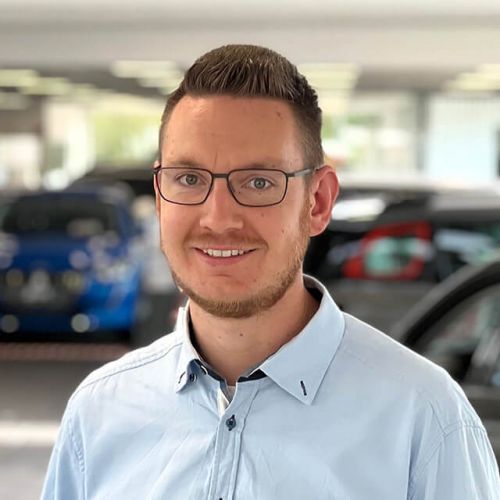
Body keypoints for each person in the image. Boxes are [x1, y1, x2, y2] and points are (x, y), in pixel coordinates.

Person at [41, 44, 499, 500]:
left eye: (259, 182)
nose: (218, 219)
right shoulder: (99, 413)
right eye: (189, 179)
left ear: (318, 202)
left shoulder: (424, 419)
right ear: (160, 197)